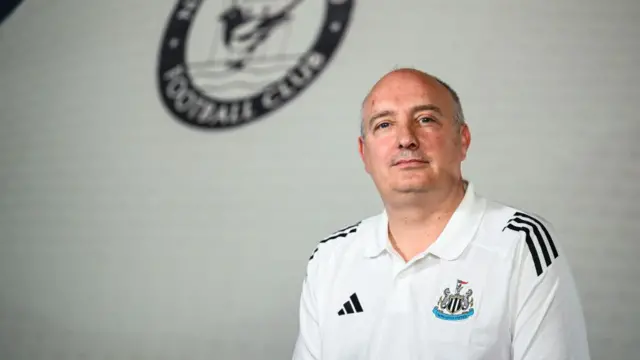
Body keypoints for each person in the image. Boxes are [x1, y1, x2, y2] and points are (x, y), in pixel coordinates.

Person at [291, 68, 591, 360]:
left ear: (463, 140)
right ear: (363, 153)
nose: (405, 139)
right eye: (384, 124)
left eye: (425, 119)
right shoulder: (330, 259)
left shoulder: (521, 246)